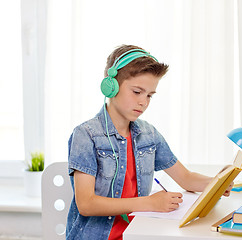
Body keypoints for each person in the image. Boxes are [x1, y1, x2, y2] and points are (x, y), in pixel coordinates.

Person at [66, 44, 233, 239]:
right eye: (137, 92)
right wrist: (149, 202)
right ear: (111, 86)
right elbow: (86, 204)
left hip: (139, 233)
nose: (143, 102)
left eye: (149, 95)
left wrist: (217, 184)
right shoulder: (86, 135)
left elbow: (185, 178)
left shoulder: (148, 134)